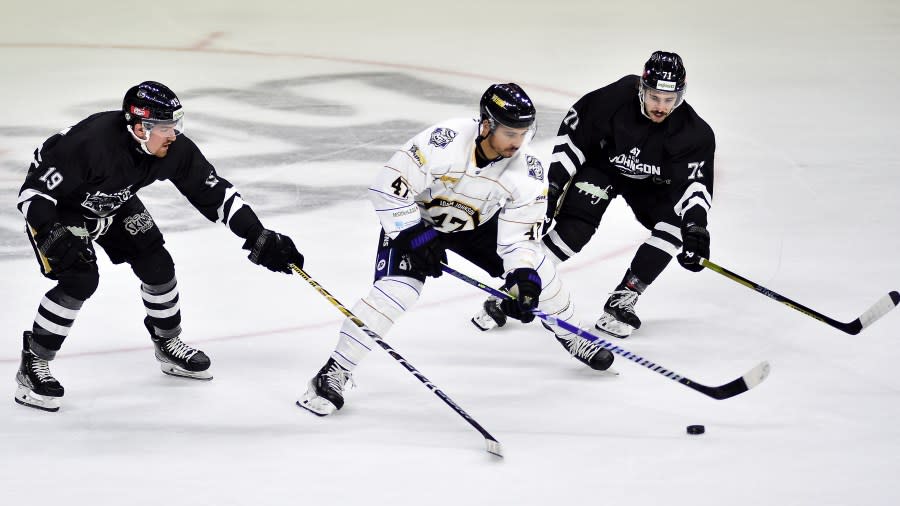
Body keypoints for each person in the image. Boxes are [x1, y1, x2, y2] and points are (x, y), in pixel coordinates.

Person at [297, 83, 614, 417]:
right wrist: (416, 238)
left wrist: (523, 278)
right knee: (396, 292)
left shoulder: (527, 170)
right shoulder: (443, 142)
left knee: (541, 274)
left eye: (523, 133)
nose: (517, 142)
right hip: (416, 223)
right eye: (509, 133)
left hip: (476, 226)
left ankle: (572, 333)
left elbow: (520, 241)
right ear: (487, 124)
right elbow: (386, 189)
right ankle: (332, 372)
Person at [14, 81, 304, 412]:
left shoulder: (172, 149)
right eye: (166, 127)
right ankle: (33, 362)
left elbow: (215, 193)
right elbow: (32, 195)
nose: (174, 134)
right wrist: (52, 231)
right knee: (80, 279)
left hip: (112, 199)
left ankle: (167, 343)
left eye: (176, 125)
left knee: (158, 266)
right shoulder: (89, 145)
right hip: (60, 208)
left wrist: (257, 234)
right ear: (139, 128)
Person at [474, 51, 715, 338]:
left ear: (680, 96)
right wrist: (552, 188)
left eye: (668, 99)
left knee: (675, 226)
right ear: (642, 88)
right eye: (654, 97)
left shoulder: (694, 133)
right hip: (604, 169)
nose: (660, 107)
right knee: (575, 230)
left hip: (653, 184)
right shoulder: (612, 100)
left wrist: (696, 227)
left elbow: (695, 187)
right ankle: (514, 289)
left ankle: (624, 297)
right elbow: (573, 139)